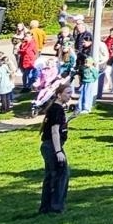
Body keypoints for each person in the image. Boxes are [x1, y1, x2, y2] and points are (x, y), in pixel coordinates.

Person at [37, 81, 72, 215]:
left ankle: (45, 207)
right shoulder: (57, 109)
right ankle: (56, 207)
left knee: (50, 176)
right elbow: (54, 131)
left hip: (47, 145)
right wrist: (58, 151)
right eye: (67, 93)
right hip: (52, 146)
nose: (70, 96)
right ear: (58, 95)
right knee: (61, 175)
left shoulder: (55, 109)